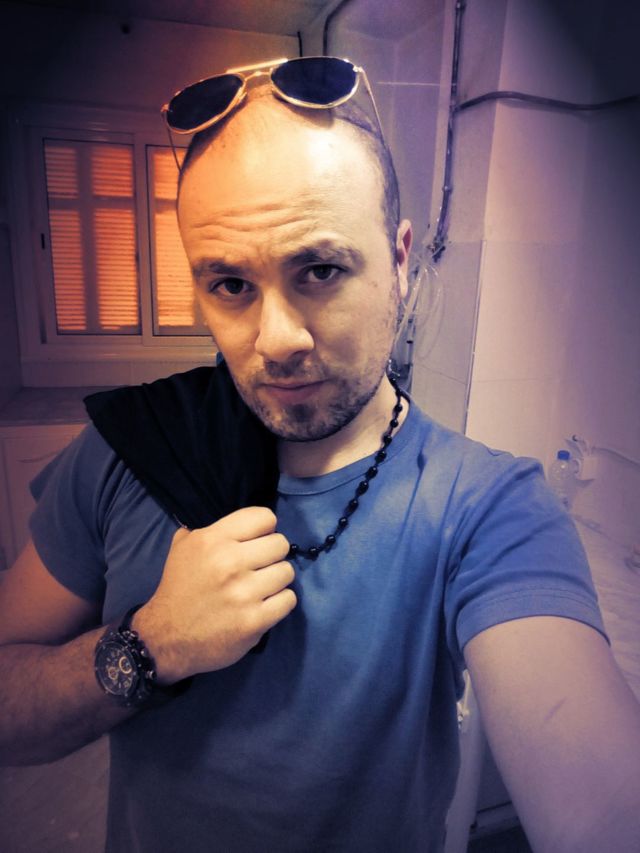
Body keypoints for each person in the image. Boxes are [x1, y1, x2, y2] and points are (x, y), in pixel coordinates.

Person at [0, 57, 639, 853]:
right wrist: (149, 646)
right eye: (231, 285)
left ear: (401, 261)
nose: (277, 340)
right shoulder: (129, 450)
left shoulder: (485, 508)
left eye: (321, 269)